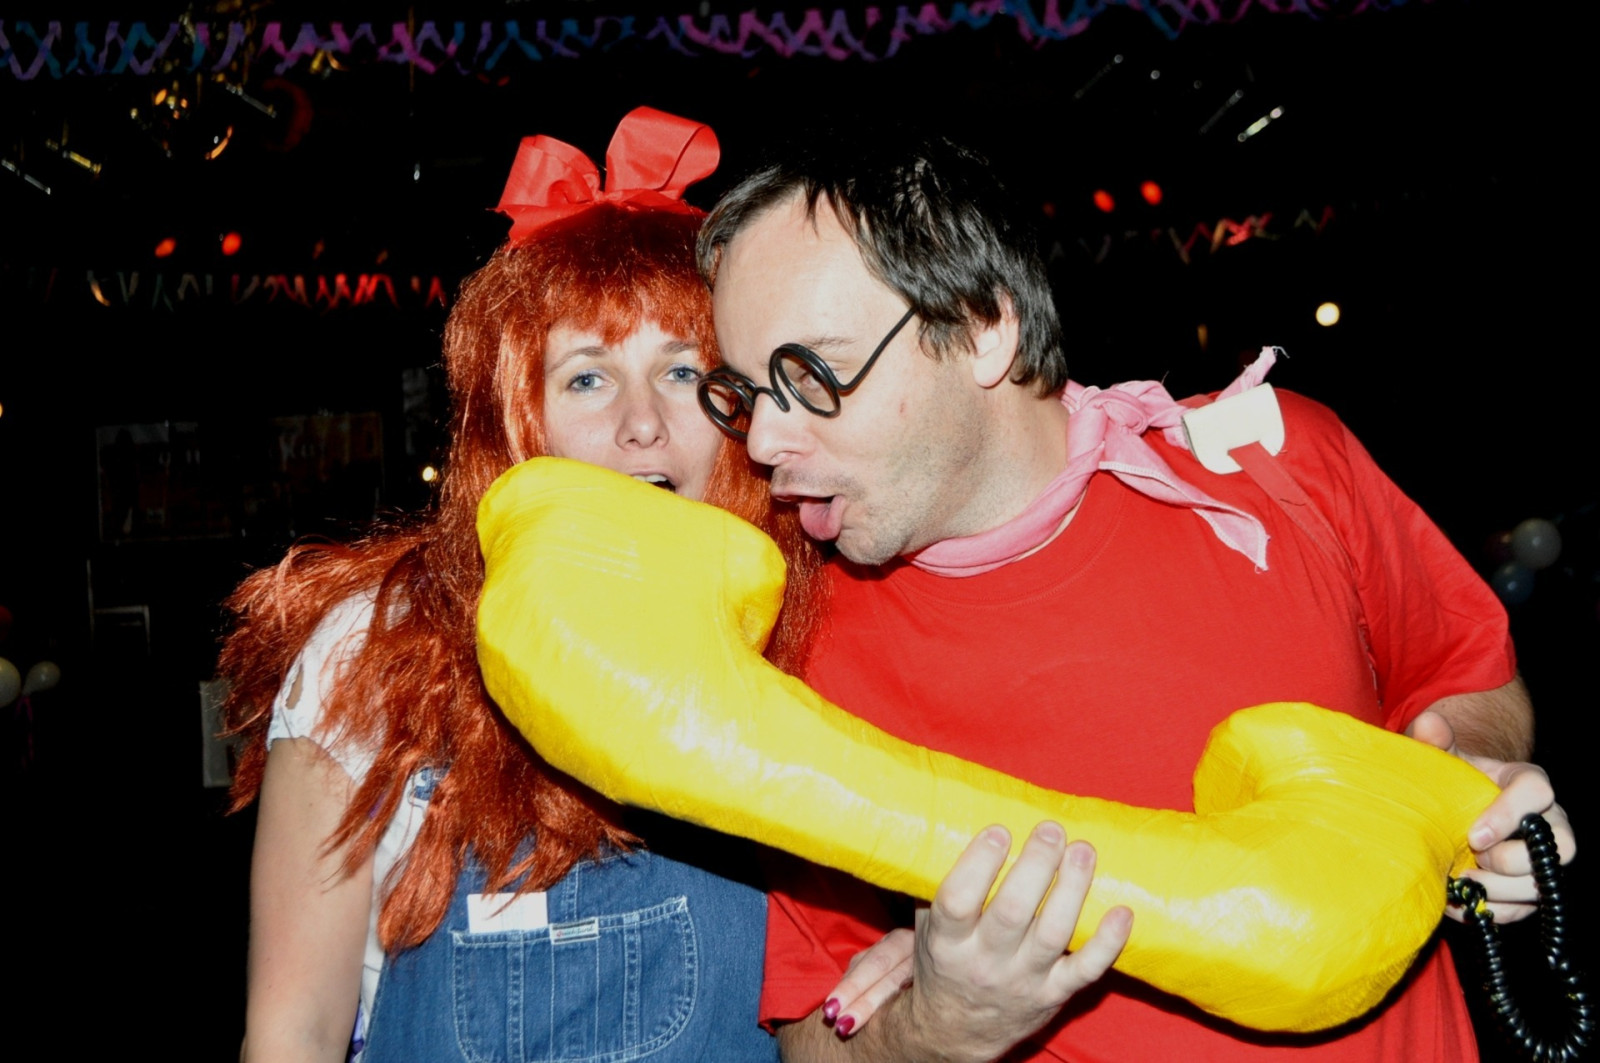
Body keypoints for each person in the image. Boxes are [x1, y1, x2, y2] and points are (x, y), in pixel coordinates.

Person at [693, 130, 1575, 1062]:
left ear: (984, 326)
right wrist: (938, 1027)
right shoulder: (799, 658)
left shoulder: (1276, 458)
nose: (764, 442)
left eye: (812, 374)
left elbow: (1465, 673)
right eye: (746, 393)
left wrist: (1469, 793)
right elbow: (805, 1032)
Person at [219, 108, 821, 1063]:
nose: (641, 424)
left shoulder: (817, 630)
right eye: (587, 378)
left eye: (680, 369)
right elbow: (293, 1032)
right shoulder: (378, 646)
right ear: (515, 415)